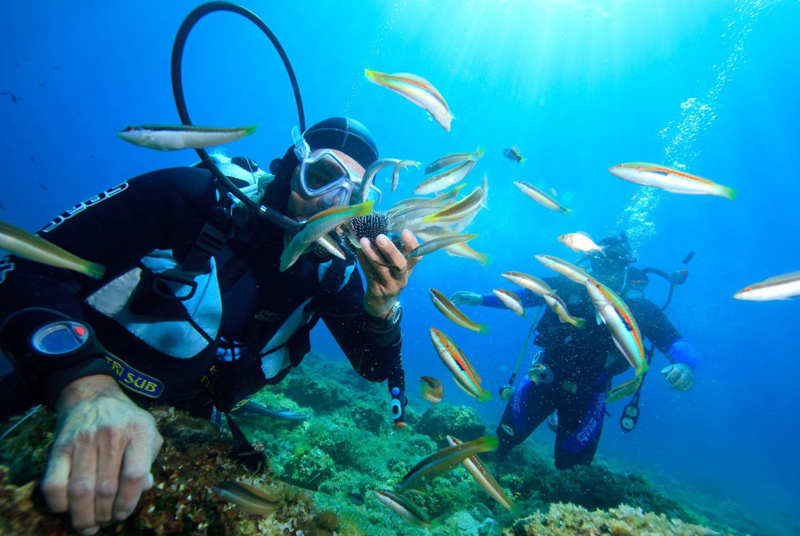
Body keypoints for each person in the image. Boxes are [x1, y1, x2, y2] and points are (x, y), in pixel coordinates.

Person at [0, 117, 419, 535]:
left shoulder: (329, 275)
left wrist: (382, 309)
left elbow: (372, 367)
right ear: (294, 166)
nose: (332, 203)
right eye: (323, 176)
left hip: (191, 428)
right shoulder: (191, 198)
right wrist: (86, 389)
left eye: (354, 198)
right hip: (52, 392)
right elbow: (28, 269)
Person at [450, 233, 698, 469]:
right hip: (543, 378)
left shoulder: (639, 308)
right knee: (504, 439)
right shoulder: (566, 285)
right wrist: (481, 299)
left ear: (625, 267)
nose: (605, 272)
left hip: (589, 394)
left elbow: (674, 342)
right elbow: (523, 294)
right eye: (600, 264)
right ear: (591, 262)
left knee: (573, 467)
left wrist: (686, 365)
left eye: (613, 266)